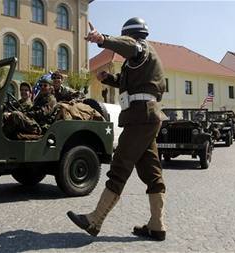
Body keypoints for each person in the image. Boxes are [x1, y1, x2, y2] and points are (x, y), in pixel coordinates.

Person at [67, 17, 167, 241]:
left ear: (131, 34)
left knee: (120, 165)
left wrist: (103, 39)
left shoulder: (140, 47)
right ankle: (157, 225)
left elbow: (130, 46)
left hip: (140, 117)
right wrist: (109, 79)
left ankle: (95, 220)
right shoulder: (142, 61)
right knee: (152, 172)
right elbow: (128, 81)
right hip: (146, 117)